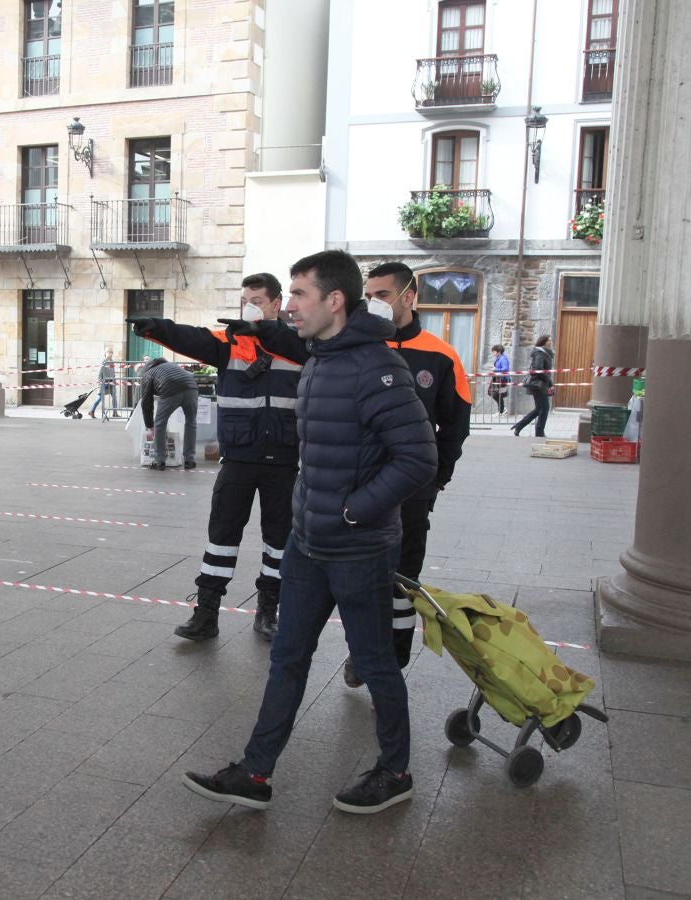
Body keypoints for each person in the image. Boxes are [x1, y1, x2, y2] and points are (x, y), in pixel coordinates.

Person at [182, 249, 436, 816]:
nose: (289, 306)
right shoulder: (321, 356)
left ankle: (395, 771)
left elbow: (418, 458)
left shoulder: (377, 366)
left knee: (374, 664)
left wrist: (352, 512)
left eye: (299, 295)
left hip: (357, 546)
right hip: (308, 541)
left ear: (334, 301)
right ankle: (255, 772)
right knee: (287, 658)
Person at [127, 272, 305, 642]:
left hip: (283, 460)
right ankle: (206, 612)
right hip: (239, 459)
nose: (249, 307)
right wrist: (154, 328)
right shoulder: (229, 343)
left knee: (279, 541)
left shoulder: (297, 344)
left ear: (276, 304)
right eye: (245, 301)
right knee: (221, 537)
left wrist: (268, 334)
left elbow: (312, 352)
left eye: (257, 301)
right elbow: (191, 336)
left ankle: (268, 610)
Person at [337, 261, 470, 689]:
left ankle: (392, 663)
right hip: (360, 485)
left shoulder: (441, 354)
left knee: (401, 578)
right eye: (368, 295)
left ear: (408, 297)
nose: (372, 303)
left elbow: (456, 424)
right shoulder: (350, 347)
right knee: (360, 575)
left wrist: (436, 478)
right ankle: (361, 652)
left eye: (381, 294)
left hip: (411, 490)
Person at [137, 356, 199, 471]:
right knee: (191, 422)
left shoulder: (148, 373)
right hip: (191, 387)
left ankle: (159, 461)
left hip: (170, 388)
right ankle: (189, 460)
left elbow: (146, 402)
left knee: (160, 423)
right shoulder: (172, 366)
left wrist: (149, 424)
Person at [513, 335, 555, 437]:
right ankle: (539, 432)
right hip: (538, 385)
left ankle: (519, 426)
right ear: (544, 342)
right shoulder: (540, 353)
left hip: (542, 384)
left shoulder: (544, 353)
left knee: (539, 409)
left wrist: (549, 382)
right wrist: (549, 382)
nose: (551, 342)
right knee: (544, 408)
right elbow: (538, 369)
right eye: (549, 340)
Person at [87, 348, 117, 419]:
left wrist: (114, 380)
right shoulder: (103, 361)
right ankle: (92, 411)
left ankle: (115, 412)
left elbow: (113, 372)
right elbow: (100, 373)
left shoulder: (112, 361)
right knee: (100, 398)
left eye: (111, 352)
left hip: (111, 382)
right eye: (108, 352)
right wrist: (101, 381)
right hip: (104, 382)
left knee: (114, 397)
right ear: (105, 353)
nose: (110, 354)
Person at [489, 343, 511, 414]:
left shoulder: (503, 359)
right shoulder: (499, 358)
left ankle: (502, 409)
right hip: (497, 378)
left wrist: (495, 369)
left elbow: (505, 369)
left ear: (499, 352)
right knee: (493, 393)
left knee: (496, 393)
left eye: (494, 352)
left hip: (502, 379)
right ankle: (502, 409)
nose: (493, 353)